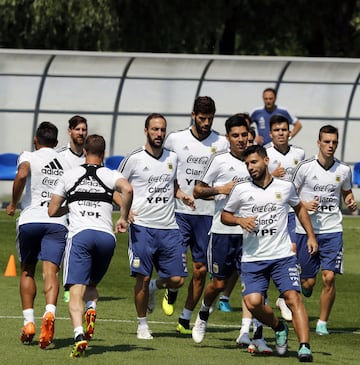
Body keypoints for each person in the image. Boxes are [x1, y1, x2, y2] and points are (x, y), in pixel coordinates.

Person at [221, 144, 317, 362]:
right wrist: (239, 220)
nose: (250, 167)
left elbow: (300, 208)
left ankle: (304, 347)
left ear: (266, 160)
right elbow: (225, 215)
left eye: (254, 162)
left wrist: (311, 236)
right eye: (247, 164)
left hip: (282, 255)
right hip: (253, 257)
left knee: (293, 298)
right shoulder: (241, 190)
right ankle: (278, 326)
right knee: (253, 302)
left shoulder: (285, 187)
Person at [191, 115, 272, 354]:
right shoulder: (219, 161)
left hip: (250, 234)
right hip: (223, 231)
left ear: (249, 135)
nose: (240, 139)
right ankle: (203, 314)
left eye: (243, 135)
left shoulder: (256, 159)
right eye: (235, 136)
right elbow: (197, 190)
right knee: (218, 283)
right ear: (228, 138)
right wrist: (220, 189)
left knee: (255, 286)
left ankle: (256, 335)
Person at [48, 134, 133, 357]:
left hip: (81, 236)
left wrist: (71, 206)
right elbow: (128, 190)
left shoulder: (70, 175)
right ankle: (92, 309)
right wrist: (122, 217)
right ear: (103, 154)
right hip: (106, 238)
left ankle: (78, 335)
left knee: (75, 290)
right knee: (92, 282)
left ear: (84, 152)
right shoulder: (110, 174)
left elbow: (52, 210)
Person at [119, 113, 194, 339]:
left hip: (169, 227)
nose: (159, 134)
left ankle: (154, 287)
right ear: (146, 131)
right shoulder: (134, 158)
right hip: (142, 226)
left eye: (162, 130)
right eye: (155, 130)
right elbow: (114, 188)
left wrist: (183, 196)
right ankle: (142, 325)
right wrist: (125, 211)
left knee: (177, 279)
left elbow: (173, 186)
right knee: (141, 278)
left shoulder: (173, 157)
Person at [164, 96, 229, 334]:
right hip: (179, 212)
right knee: (176, 269)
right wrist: (178, 193)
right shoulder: (175, 139)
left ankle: (185, 317)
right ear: (193, 115)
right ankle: (171, 290)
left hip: (207, 215)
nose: (206, 123)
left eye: (210, 119)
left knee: (201, 269)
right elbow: (165, 172)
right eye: (202, 118)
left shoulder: (221, 143)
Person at [6, 121, 70, 349]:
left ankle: (29, 323)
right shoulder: (66, 160)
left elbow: (22, 174)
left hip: (31, 220)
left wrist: (13, 203)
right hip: (56, 221)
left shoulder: (28, 156)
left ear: (36, 140)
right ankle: (50, 314)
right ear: (56, 142)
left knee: (27, 269)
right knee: (50, 271)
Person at [292, 125, 357, 336]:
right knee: (307, 281)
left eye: (334, 142)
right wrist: (305, 205)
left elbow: (346, 192)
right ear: (318, 143)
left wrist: (350, 201)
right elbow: (288, 195)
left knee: (329, 277)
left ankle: (322, 322)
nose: (331, 146)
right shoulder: (305, 168)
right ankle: (307, 286)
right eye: (327, 142)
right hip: (305, 230)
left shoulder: (343, 170)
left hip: (332, 230)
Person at [265, 114, 306, 322]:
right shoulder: (264, 153)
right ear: (270, 133)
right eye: (277, 130)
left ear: (290, 131)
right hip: (271, 215)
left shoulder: (299, 153)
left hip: (292, 214)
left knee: (292, 253)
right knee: (270, 257)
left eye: (284, 130)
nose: (281, 133)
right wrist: (271, 175)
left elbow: (302, 183)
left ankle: (283, 297)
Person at [57, 115, 88, 303]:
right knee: (64, 249)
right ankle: (68, 285)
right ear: (69, 131)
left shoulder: (90, 155)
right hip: (64, 210)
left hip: (84, 212)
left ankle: (76, 284)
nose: (81, 133)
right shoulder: (60, 156)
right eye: (77, 129)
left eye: (84, 129)